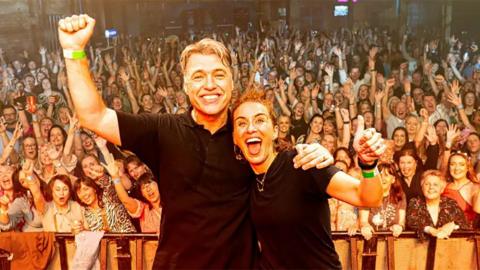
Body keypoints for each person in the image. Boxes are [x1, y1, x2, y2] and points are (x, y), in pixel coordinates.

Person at [58, 14, 333, 269]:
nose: (209, 84)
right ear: (186, 85)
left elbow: (287, 164)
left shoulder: (247, 134)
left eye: (218, 74)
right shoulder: (162, 130)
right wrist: (73, 53)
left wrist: (318, 152)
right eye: (198, 77)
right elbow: (93, 116)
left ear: (231, 81)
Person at [232, 89, 385, 269]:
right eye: (242, 123)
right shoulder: (244, 179)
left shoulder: (302, 161)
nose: (251, 128)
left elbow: (368, 197)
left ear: (274, 132)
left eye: (259, 120)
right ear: (235, 138)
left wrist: (368, 165)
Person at [407, 170, 469, 240]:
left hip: (448, 247)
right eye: (427, 184)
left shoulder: (450, 203)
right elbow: (412, 222)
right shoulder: (415, 202)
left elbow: (463, 223)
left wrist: (452, 225)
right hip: (420, 247)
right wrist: (431, 230)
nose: (431, 187)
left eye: (435, 184)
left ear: (442, 189)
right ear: (422, 187)